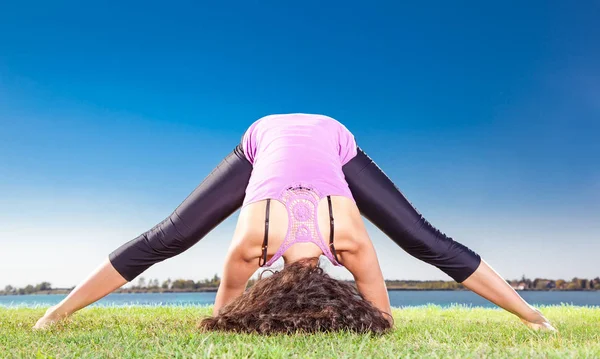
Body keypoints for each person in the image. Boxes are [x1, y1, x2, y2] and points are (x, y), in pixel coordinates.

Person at [34, 113, 556, 333]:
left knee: (169, 235)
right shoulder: (258, 249)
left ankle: (56, 314)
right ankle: (532, 316)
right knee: (423, 239)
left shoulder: (341, 246)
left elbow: (221, 319)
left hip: (308, 137)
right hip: (292, 137)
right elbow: (226, 318)